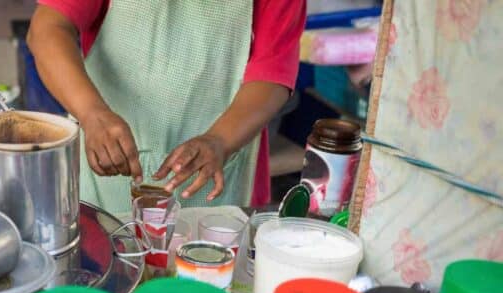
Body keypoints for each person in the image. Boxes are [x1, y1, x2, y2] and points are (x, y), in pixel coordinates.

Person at [27, 0, 306, 215]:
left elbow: (272, 73)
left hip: (225, 170)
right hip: (102, 175)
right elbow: (48, 29)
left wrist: (220, 140)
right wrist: (91, 113)